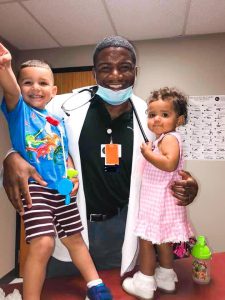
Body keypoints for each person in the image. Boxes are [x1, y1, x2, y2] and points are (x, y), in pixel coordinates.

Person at [2, 36, 198, 280]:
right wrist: (11, 156)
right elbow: (28, 132)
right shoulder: (62, 105)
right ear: (94, 73)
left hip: (121, 227)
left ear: (135, 72)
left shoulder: (150, 119)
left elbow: (168, 162)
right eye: (105, 68)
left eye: (124, 67)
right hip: (70, 224)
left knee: (114, 288)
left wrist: (189, 184)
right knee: (63, 287)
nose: (115, 75)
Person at [0, 43, 112, 300]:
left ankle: (96, 286)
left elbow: (64, 152)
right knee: (44, 243)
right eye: (27, 83)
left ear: (53, 91)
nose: (35, 88)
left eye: (42, 83)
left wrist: (71, 175)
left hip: (61, 188)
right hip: (36, 188)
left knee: (74, 238)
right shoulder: (20, 112)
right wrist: (5, 67)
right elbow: (10, 90)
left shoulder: (57, 120)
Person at [122, 87, 194, 299]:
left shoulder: (169, 139)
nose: (156, 120)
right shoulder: (164, 139)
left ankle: (144, 282)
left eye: (165, 115)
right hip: (163, 200)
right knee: (162, 240)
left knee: (146, 241)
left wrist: (147, 153)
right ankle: (166, 277)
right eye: (152, 115)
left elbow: (170, 164)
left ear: (179, 120)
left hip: (158, 201)